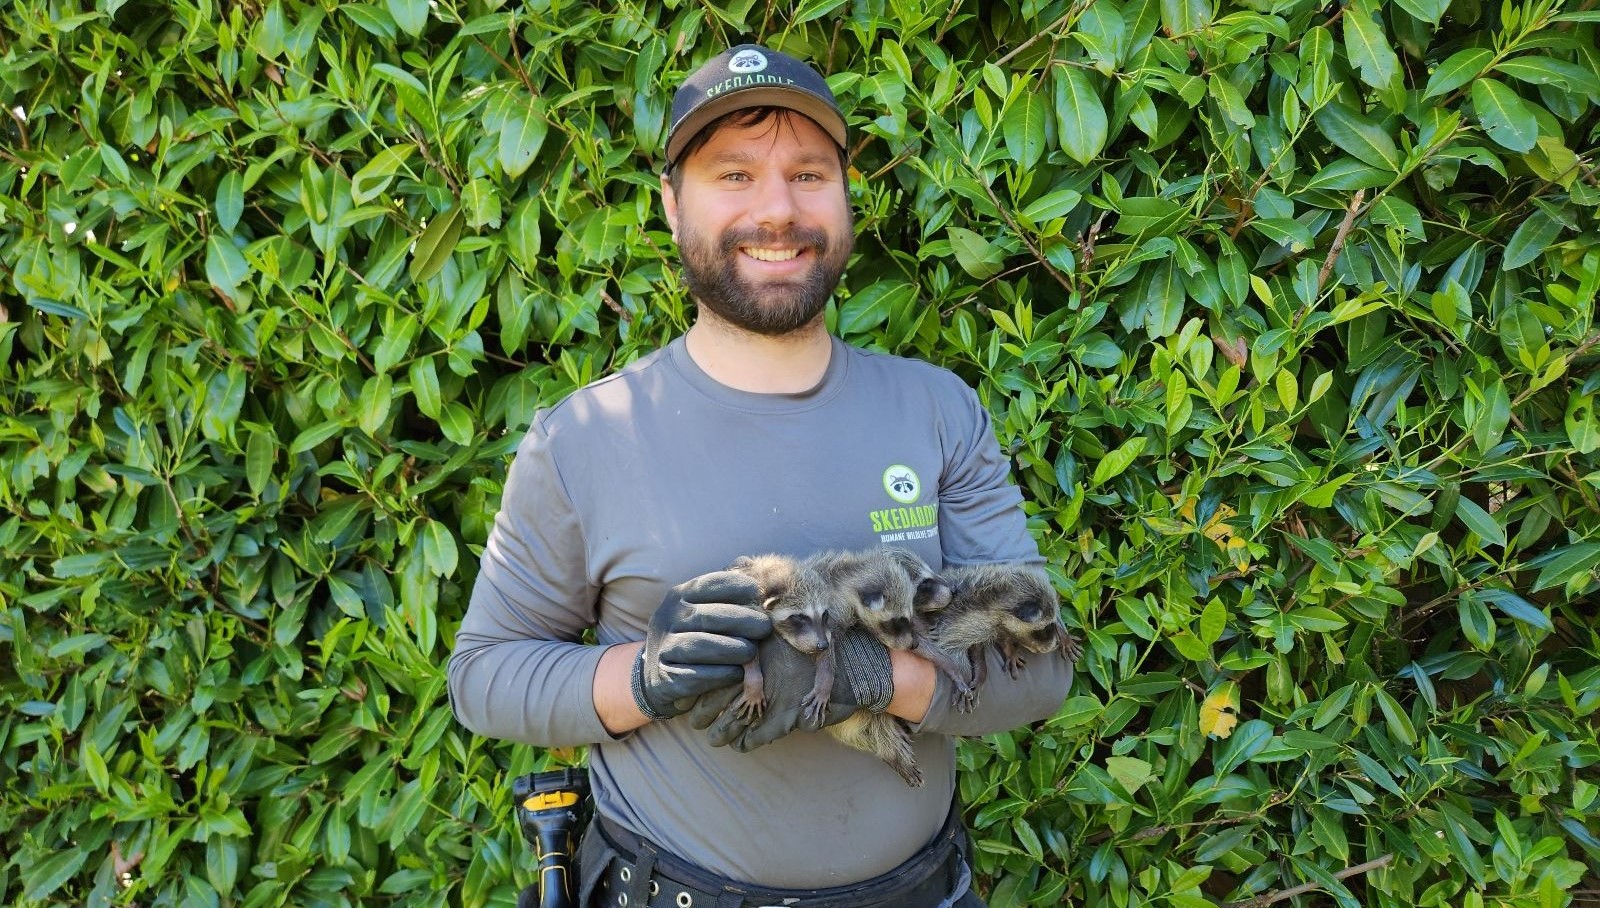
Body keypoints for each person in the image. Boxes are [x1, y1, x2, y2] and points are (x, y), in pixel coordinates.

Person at [448, 43, 1075, 908]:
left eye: (808, 174)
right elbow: (484, 675)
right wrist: (646, 677)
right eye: (734, 175)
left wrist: (869, 676)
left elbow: (1040, 668)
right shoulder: (584, 439)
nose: (777, 210)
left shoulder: (937, 410)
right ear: (672, 204)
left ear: (846, 196)